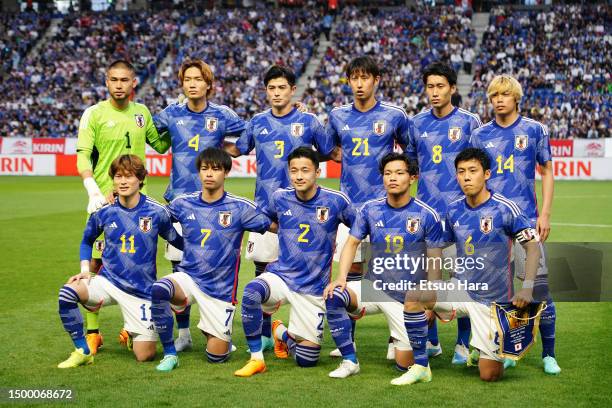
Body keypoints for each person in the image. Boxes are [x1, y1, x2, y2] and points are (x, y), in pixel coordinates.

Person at [391, 147, 541, 385]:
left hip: (492, 301)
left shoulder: (505, 208)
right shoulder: (453, 209)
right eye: (461, 172)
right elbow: (437, 246)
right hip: (460, 289)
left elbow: (532, 246)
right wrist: (431, 285)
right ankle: (421, 366)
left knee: (489, 375)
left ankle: (487, 345)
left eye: (473, 171)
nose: (467, 177)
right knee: (414, 296)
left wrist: (528, 287)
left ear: (487, 174)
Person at [226, 65, 338, 352]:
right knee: (263, 272)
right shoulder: (257, 122)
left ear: (292, 90)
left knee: (303, 272)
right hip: (265, 211)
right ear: (266, 92)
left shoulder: (309, 121)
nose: (277, 93)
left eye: (282, 88)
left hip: (304, 213)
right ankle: (267, 334)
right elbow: (238, 148)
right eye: (272, 88)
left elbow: (328, 152)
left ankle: (296, 329)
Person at [76, 59, 170, 354]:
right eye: (113, 80)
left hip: (139, 204)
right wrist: (92, 189)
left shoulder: (142, 113)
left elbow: (161, 144)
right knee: (96, 262)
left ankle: (133, 323)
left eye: (124, 80)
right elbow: (82, 156)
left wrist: (180, 116)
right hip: (105, 202)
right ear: (107, 82)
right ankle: (93, 332)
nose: (118, 85)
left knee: (140, 263)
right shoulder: (93, 114)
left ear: (134, 83)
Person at [234, 147, 355, 377]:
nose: (299, 176)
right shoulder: (281, 197)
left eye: (305, 170)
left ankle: (282, 334)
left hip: (313, 288)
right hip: (282, 275)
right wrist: (283, 229)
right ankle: (256, 358)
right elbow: (264, 219)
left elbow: (359, 227)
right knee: (251, 292)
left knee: (306, 361)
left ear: (317, 171)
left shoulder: (336, 201)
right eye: (294, 171)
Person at [323, 153, 446, 379]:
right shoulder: (370, 209)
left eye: (399, 173)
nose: (393, 178)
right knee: (335, 295)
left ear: (412, 178)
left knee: (404, 364)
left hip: (406, 298)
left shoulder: (427, 215)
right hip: (373, 288)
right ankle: (349, 360)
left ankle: (420, 338)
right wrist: (341, 278)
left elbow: (435, 259)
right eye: (388, 173)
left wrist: (429, 302)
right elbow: (351, 243)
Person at [326, 55, 417, 359]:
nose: (360, 84)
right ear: (349, 82)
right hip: (349, 210)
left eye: (366, 78)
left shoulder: (395, 115)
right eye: (354, 78)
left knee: (393, 273)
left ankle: (397, 340)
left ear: (377, 80)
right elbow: (328, 148)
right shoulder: (337, 115)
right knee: (349, 274)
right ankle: (347, 341)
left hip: (387, 211)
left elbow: (409, 152)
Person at [151, 148, 273, 372]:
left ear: (226, 172)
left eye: (216, 169)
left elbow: (273, 225)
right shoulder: (183, 203)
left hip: (220, 291)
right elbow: (154, 217)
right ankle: (170, 354)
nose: (209, 174)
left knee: (216, 358)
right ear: (198, 172)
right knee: (160, 289)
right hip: (188, 278)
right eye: (205, 169)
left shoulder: (240, 207)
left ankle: (214, 330)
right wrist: (179, 242)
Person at [153, 58, 246, 351]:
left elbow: (249, 133)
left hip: (213, 208)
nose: (192, 84)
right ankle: (183, 333)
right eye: (187, 79)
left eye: (198, 79)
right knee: (180, 268)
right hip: (179, 202)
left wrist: (225, 152)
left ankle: (215, 326)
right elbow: (147, 129)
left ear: (208, 84)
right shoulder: (171, 114)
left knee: (215, 268)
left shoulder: (222, 115)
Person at [469, 74, 560, 375]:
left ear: (516, 98)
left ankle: (549, 354)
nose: (498, 100)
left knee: (539, 288)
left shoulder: (535, 130)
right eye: (494, 95)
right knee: (497, 292)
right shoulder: (480, 135)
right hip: (490, 227)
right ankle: (505, 349)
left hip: (526, 224)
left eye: (504, 95)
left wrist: (544, 215)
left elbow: (547, 172)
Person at [57, 155, 182, 368]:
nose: (123, 181)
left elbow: (178, 241)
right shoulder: (104, 210)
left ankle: (133, 332)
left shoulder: (156, 211)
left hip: (141, 291)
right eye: (118, 176)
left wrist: (206, 254)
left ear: (140, 179)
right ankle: (83, 350)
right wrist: (85, 270)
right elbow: (87, 240)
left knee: (145, 356)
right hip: (108, 282)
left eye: (129, 176)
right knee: (68, 292)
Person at [408, 61, 482, 364]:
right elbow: (411, 166)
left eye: (440, 86)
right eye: (430, 86)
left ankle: (464, 343)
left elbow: (479, 164)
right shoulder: (416, 123)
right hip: (427, 216)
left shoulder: (469, 122)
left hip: (461, 216)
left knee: (463, 280)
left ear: (452, 88)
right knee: (427, 281)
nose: (434, 92)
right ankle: (433, 341)